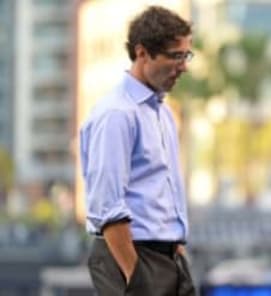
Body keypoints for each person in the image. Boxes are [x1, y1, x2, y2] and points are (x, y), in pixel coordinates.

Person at [79, 6, 195, 296]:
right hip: (132, 256)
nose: (183, 66)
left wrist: (176, 250)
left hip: (168, 256)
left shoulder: (163, 113)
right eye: (175, 56)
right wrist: (136, 277)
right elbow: (107, 209)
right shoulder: (116, 114)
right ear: (143, 53)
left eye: (186, 55)